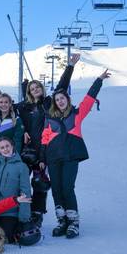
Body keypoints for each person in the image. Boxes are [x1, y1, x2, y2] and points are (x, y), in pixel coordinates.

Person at [40, 69, 111, 239]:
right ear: (55, 103)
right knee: (56, 189)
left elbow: (89, 98)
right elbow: (44, 139)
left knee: (67, 187)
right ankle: (62, 220)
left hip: (70, 157)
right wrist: (42, 159)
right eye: (57, 100)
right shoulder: (50, 119)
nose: (60, 101)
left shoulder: (77, 115)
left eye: (62, 98)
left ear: (67, 99)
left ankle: (73, 222)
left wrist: (99, 80)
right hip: (53, 158)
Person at [17, 53, 80, 226]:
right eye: (32, 88)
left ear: (42, 89)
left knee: (39, 183)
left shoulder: (47, 103)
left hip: (44, 150)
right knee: (22, 181)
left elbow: (62, 87)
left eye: (38, 87)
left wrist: (70, 67)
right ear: (28, 92)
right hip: (26, 151)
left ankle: (37, 214)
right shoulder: (22, 107)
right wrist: (22, 129)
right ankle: (21, 212)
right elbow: (6, 111)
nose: (35, 89)